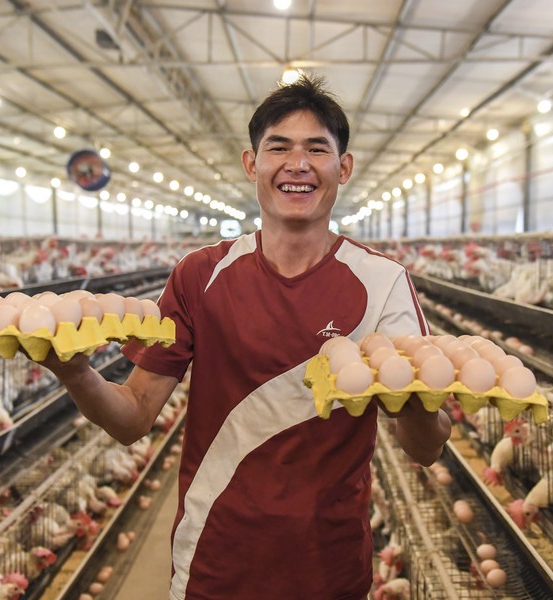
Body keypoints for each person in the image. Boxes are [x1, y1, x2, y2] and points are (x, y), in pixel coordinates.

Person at [40, 74, 451, 600]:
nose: (297, 165)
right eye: (278, 147)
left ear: (343, 167)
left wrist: (416, 396)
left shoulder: (383, 282)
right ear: (251, 164)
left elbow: (424, 449)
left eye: (317, 149)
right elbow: (134, 416)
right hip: (212, 558)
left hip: (328, 565)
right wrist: (74, 371)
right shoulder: (199, 274)